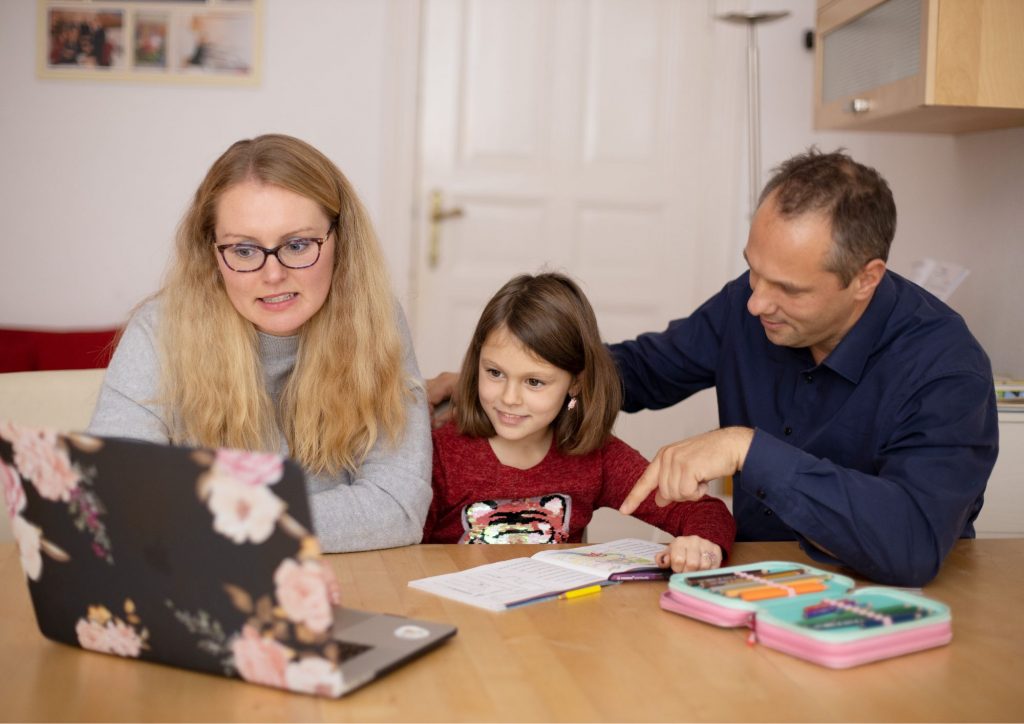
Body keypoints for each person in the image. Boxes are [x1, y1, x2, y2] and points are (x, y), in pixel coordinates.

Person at [428, 149, 999, 587]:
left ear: (865, 279)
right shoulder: (746, 307)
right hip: (747, 582)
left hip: (883, 596)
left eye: (788, 289)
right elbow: (641, 370)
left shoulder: (946, 370)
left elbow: (913, 543)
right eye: (753, 270)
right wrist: (533, 375)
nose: (755, 304)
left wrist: (749, 449)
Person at [89, 133, 432, 553]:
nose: (273, 275)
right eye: (245, 250)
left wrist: (206, 520)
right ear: (211, 252)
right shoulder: (158, 332)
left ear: (341, 240)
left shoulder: (377, 321)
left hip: (348, 580)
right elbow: (114, 501)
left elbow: (398, 507)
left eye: (298, 244)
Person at [424, 273, 735, 572]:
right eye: (495, 373)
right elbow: (401, 553)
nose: (509, 398)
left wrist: (701, 545)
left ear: (575, 383)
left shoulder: (596, 457)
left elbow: (705, 511)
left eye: (534, 382)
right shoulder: (440, 456)